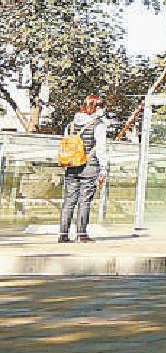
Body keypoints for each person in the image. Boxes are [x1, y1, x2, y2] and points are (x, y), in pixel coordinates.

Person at [58, 94, 110, 243]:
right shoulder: (98, 125)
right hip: (90, 167)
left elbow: (66, 145)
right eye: (101, 106)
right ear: (96, 107)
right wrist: (103, 168)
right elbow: (101, 149)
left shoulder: (71, 125)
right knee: (84, 201)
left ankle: (63, 235)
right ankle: (81, 234)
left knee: (68, 201)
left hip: (71, 167)